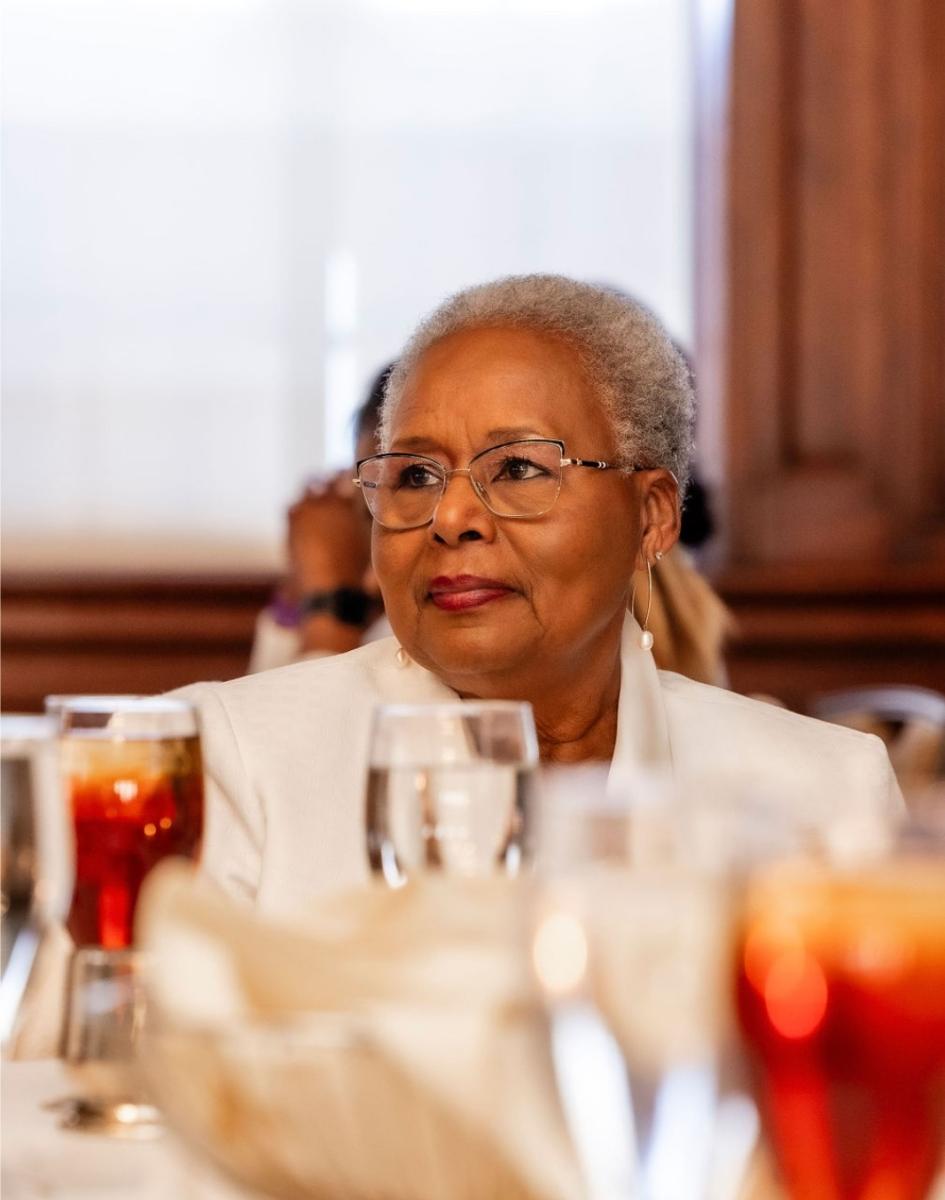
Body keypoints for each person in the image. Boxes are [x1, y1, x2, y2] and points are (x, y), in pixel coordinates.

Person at [178, 275, 900, 910]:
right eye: (416, 476)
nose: (451, 517)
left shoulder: (822, 790)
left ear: (651, 517)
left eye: (518, 469)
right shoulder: (234, 759)